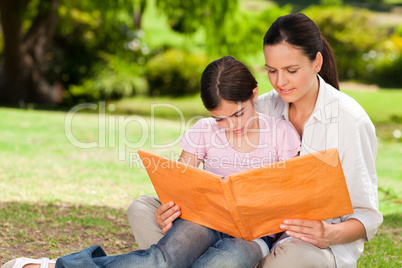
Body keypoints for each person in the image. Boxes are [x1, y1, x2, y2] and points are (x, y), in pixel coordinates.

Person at [127, 13, 383, 268]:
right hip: (231, 232)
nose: (280, 82)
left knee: (293, 258)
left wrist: (328, 234)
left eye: (291, 70)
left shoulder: (351, 121)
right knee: (142, 208)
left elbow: (366, 216)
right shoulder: (258, 108)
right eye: (272, 70)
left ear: (317, 62)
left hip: (304, 242)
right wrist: (171, 210)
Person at [2, 56, 301, 268]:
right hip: (204, 221)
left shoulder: (281, 134)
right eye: (219, 119)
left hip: (252, 235)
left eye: (239, 114)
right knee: (161, 261)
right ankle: (54, 267)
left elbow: (292, 196)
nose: (231, 125)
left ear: (254, 95)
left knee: (223, 263)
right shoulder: (203, 132)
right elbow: (181, 184)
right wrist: (169, 208)